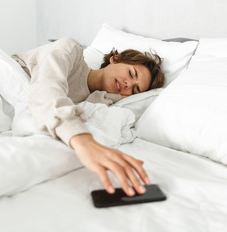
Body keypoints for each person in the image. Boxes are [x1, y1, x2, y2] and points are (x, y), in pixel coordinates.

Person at [12, 37, 165, 197]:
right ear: (115, 59)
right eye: (131, 73)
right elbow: (46, 88)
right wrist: (83, 141)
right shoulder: (70, 50)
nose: (128, 85)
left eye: (134, 90)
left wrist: (120, 97)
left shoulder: (98, 102)